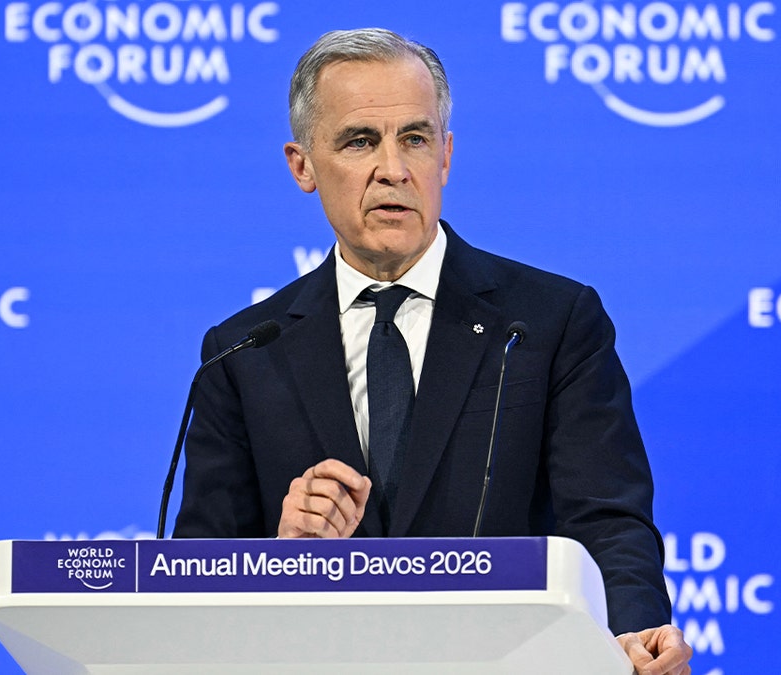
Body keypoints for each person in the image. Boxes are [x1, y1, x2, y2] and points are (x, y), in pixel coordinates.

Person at [174, 28, 692, 673]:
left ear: (445, 155)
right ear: (302, 164)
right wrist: (280, 556)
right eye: (360, 141)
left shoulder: (550, 323)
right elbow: (194, 574)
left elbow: (608, 522)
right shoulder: (243, 351)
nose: (393, 168)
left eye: (414, 138)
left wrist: (633, 634)